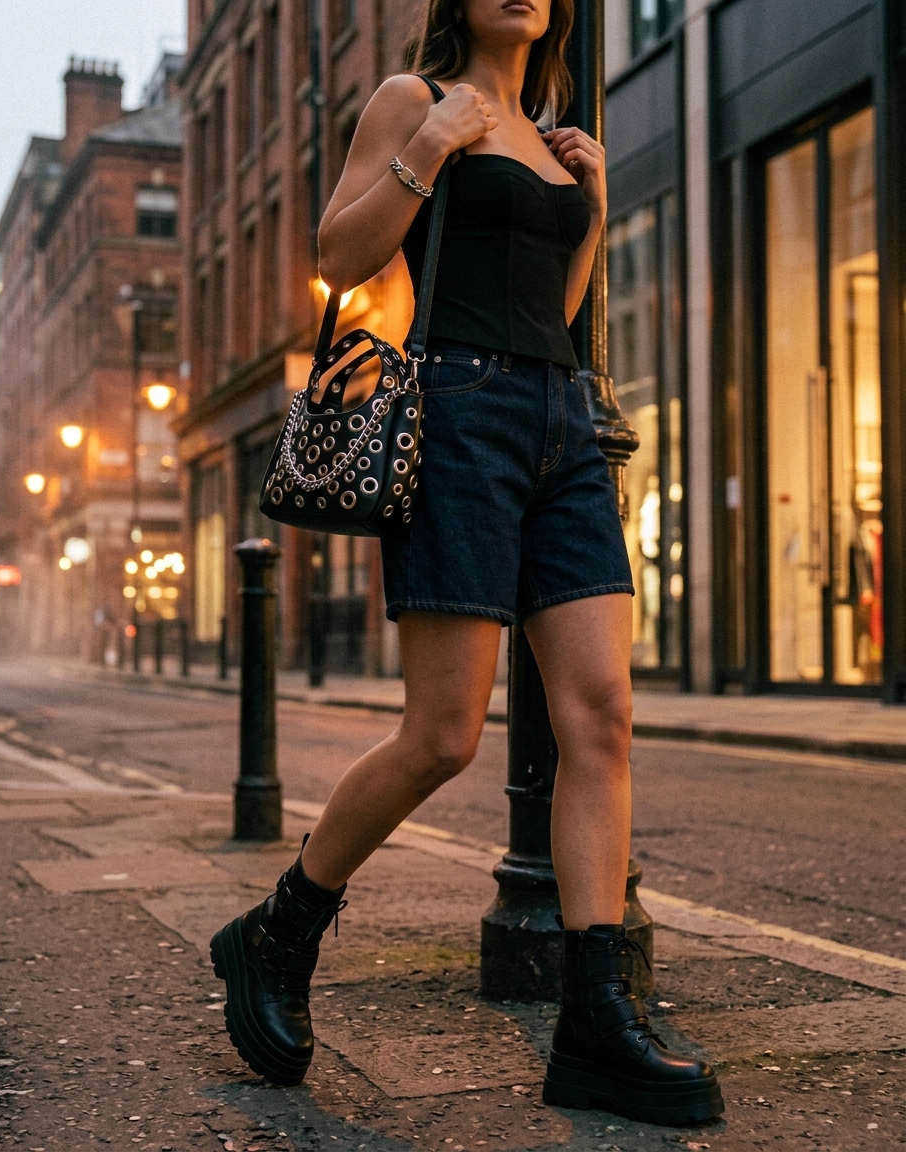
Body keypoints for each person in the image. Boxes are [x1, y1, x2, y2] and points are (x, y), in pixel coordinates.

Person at [210, 0, 723, 1126]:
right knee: (443, 733)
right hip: (460, 415)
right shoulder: (415, 101)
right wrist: (426, 151)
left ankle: (595, 1017)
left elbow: (560, 312)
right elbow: (340, 254)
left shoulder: (551, 131)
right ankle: (277, 931)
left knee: (601, 716)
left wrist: (586, 215)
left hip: (562, 425)